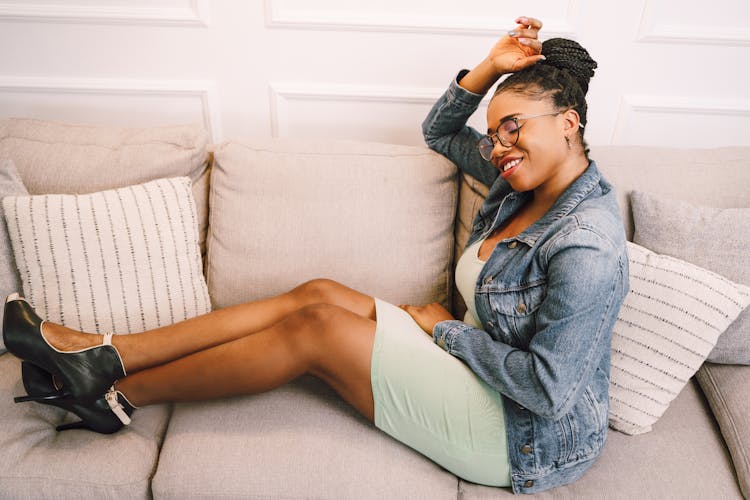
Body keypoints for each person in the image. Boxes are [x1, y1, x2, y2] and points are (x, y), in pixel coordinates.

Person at [2, 16, 628, 494]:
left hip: (522, 434)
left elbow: (547, 390)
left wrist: (448, 333)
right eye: (495, 134)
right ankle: (104, 352)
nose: (498, 147)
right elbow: (439, 130)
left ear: (569, 121)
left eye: (513, 126)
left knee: (319, 329)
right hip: (478, 372)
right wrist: (489, 70)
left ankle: (113, 394)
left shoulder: (587, 243)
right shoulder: (513, 184)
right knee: (319, 292)